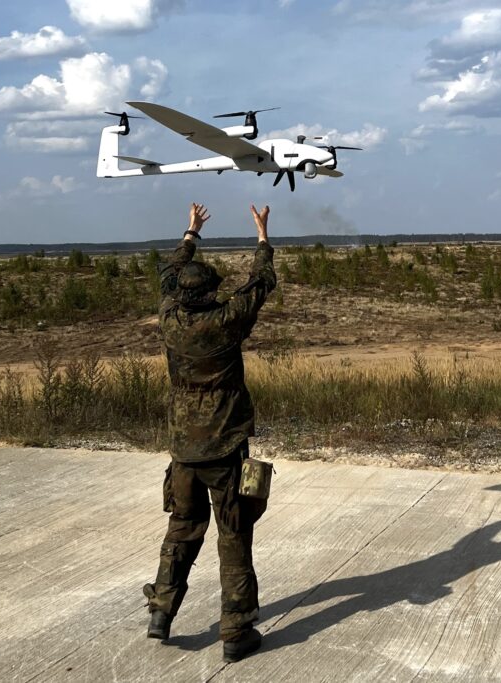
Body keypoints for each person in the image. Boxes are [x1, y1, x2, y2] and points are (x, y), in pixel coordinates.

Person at [143, 202, 277, 663]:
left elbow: (166, 276)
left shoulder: (170, 321)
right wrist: (262, 239)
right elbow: (259, 286)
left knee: (181, 529)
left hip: (183, 450)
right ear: (213, 292)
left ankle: (161, 612)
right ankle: (236, 631)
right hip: (225, 448)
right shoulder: (225, 323)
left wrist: (190, 233)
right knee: (232, 535)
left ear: (180, 294)